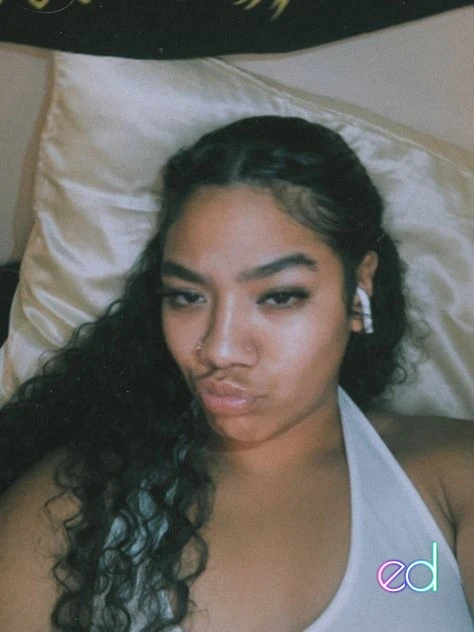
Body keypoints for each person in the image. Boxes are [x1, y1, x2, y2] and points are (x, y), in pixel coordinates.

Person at [0, 116, 472, 632]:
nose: (219, 350)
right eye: (187, 296)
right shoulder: (67, 513)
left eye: (280, 296)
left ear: (360, 289)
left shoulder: (449, 484)